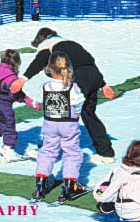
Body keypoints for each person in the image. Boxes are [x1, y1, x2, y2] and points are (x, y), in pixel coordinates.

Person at [10, 27, 116, 164]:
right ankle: (106, 153)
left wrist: (23, 79)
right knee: (89, 114)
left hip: (79, 78)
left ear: (41, 38)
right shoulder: (72, 43)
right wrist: (103, 84)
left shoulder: (48, 44)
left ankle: (46, 150)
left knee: (58, 116)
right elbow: (89, 62)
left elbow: (40, 60)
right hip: (93, 76)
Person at [33, 52, 86, 202]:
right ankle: (71, 185)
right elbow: (79, 102)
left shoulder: (45, 86)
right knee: (71, 152)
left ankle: (41, 183)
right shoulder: (72, 88)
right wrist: (77, 114)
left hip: (49, 123)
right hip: (68, 124)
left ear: (49, 68)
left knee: (47, 151)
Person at [0, 49, 40, 162]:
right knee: (9, 127)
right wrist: (30, 101)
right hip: (5, 106)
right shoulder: (10, 77)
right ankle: (9, 150)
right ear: (16, 63)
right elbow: (16, 92)